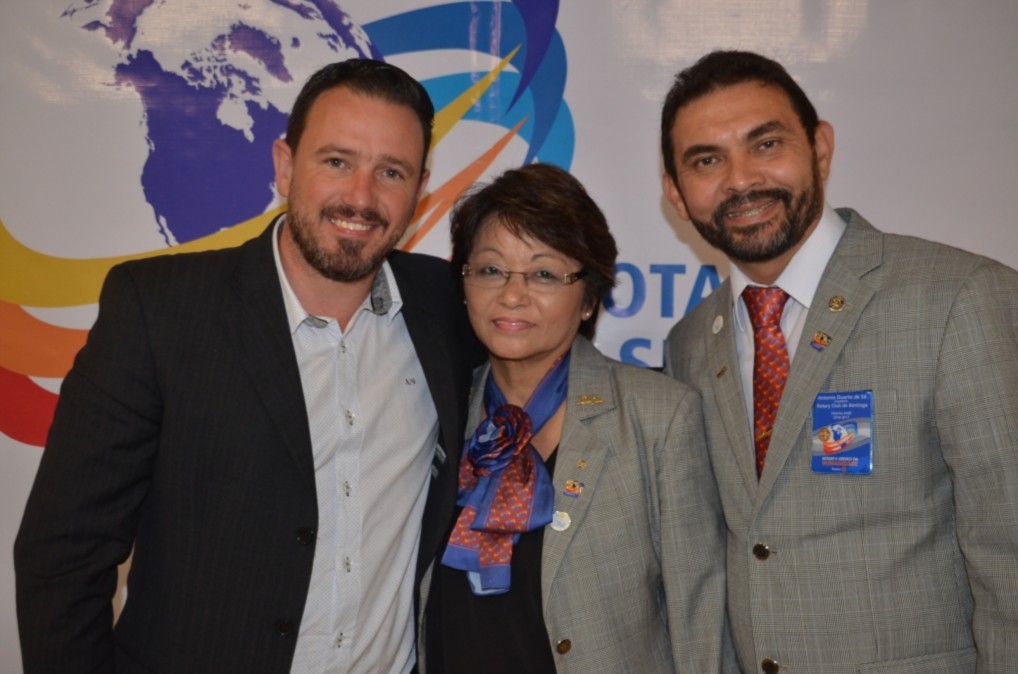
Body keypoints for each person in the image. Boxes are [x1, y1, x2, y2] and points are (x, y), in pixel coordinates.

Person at [14, 59, 476, 673]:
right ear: (285, 165)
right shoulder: (160, 310)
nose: (361, 197)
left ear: (419, 188)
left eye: (391, 172)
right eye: (337, 161)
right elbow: (63, 555)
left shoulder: (448, 305)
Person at [660, 50, 1018, 673]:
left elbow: (1009, 552)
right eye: (707, 160)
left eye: (766, 144)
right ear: (676, 193)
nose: (741, 180)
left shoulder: (958, 297)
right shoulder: (688, 344)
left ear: (820, 148)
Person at [421, 163, 735, 673]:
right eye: (490, 270)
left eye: (544, 274)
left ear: (589, 297)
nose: (512, 295)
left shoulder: (658, 417)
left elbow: (699, 620)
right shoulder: (439, 407)